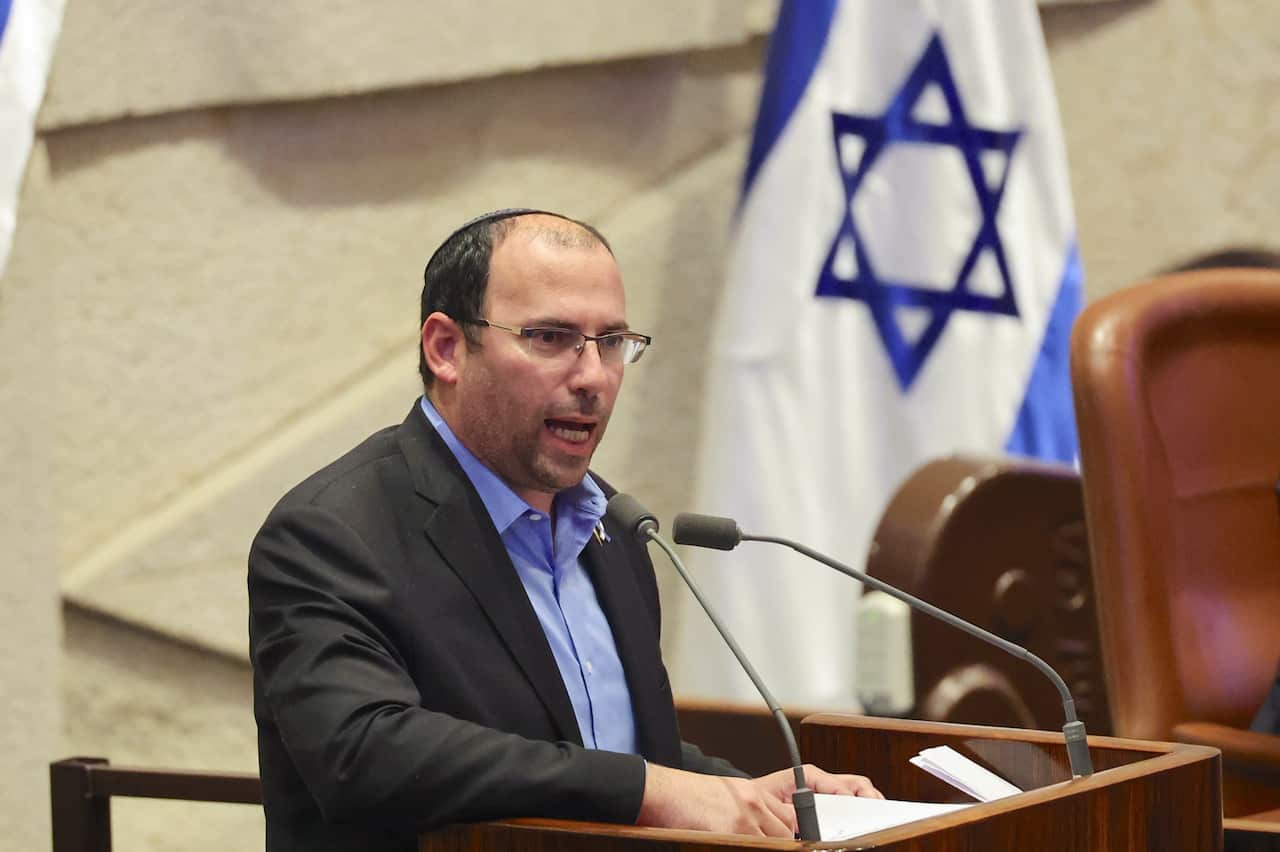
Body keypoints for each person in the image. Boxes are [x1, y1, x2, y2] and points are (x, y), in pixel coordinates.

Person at [248, 209, 881, 852]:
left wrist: (750, 796)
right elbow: (366, 754)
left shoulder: (612, 525)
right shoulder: (332, 532)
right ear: (446, 349)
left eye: (612, 342)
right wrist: (654, 791)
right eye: (551, 337)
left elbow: (607, 750)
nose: (593, 377)